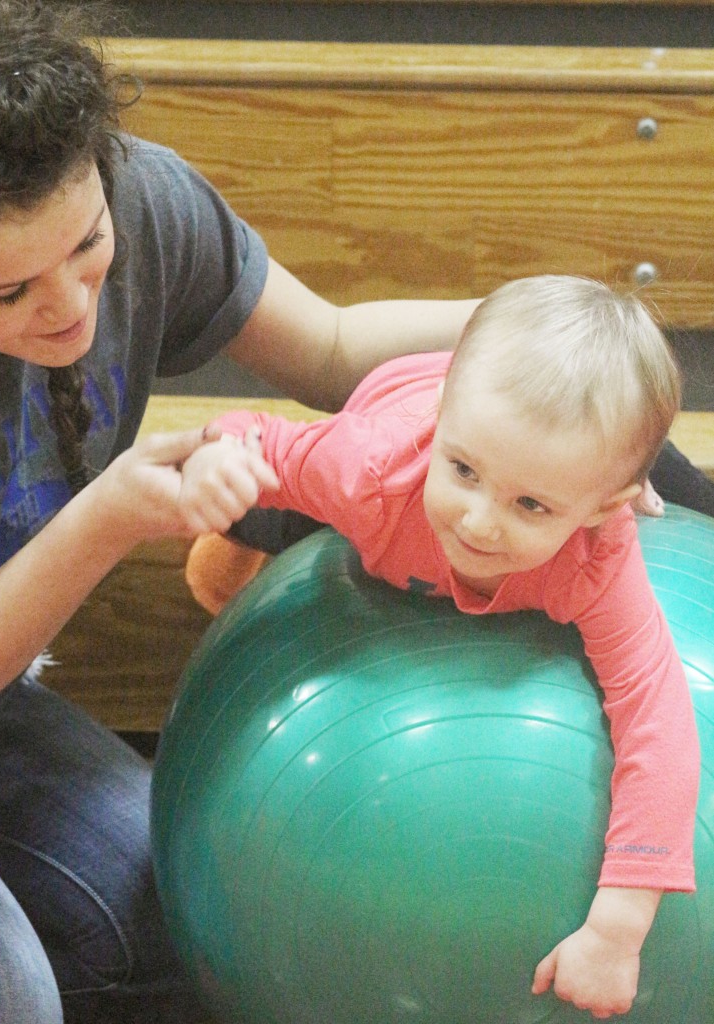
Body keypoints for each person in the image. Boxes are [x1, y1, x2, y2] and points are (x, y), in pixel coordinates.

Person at [0, 1, 492, 1021]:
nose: (69, 303)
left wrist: (543, 328)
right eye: (8, 290)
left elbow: (332, 349)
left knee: (190, 912)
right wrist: (109, 516)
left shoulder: (144, 196)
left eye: (86, 245)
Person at [181, 274, 701, 1019]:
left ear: (602, 510)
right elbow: (256, 436)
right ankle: (230, 552)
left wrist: (618, 928)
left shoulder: (596, 555)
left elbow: (657, 717)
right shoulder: (369, 469)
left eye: (530, 505)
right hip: (389, 438)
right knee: (268, 514)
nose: (480, 523)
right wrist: (217, 461)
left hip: (533, 450)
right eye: (464, 473)